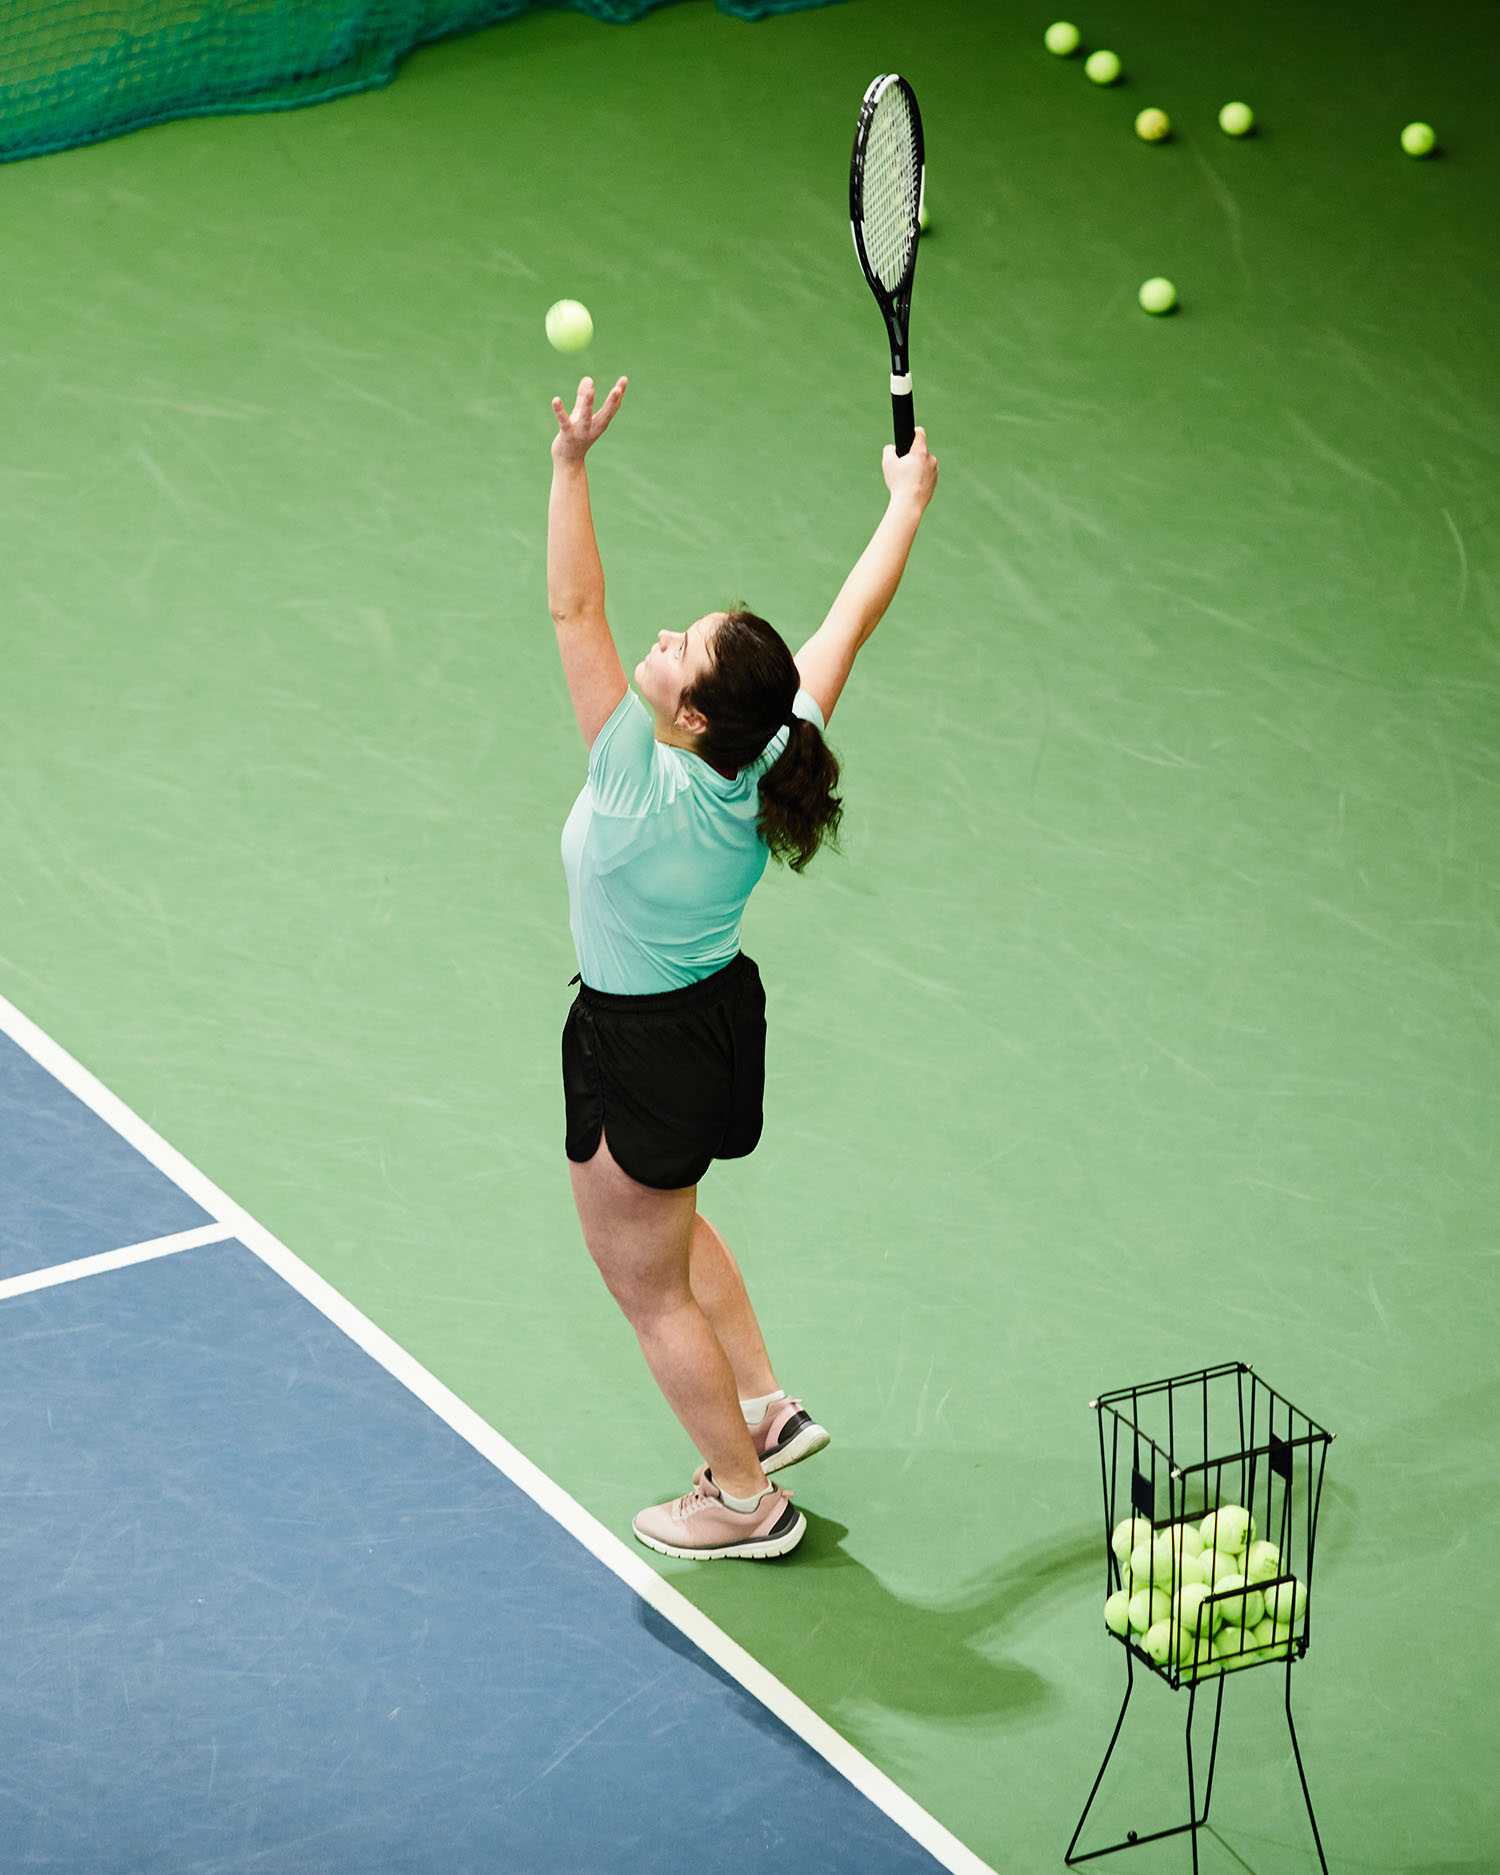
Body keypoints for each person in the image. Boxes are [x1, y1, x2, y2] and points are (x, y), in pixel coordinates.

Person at [549, 374, 939, 1559]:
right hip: (717, 1024)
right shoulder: (773, 750)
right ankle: (764, 1405)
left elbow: (576, 614)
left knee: (644, 1286)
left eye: (682, 651)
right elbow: (851, 619)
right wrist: (905, 501)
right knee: (673, 1221)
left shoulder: (632, 783)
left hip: (639, 1044)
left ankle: (741, 1498)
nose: (659, 640)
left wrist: (569, 467)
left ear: (689, 720)